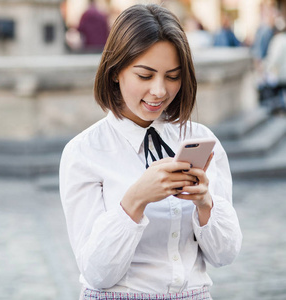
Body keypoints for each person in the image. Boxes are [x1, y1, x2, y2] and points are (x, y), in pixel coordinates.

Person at [59, 4, 242, 300]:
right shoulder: (84, 152)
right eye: (145, 75)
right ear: (116, 71)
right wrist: (136, 199)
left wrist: (206, 203)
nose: (160, 91)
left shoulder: (201, 139)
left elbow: (225, 255)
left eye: (172, 76)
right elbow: (97, 273)